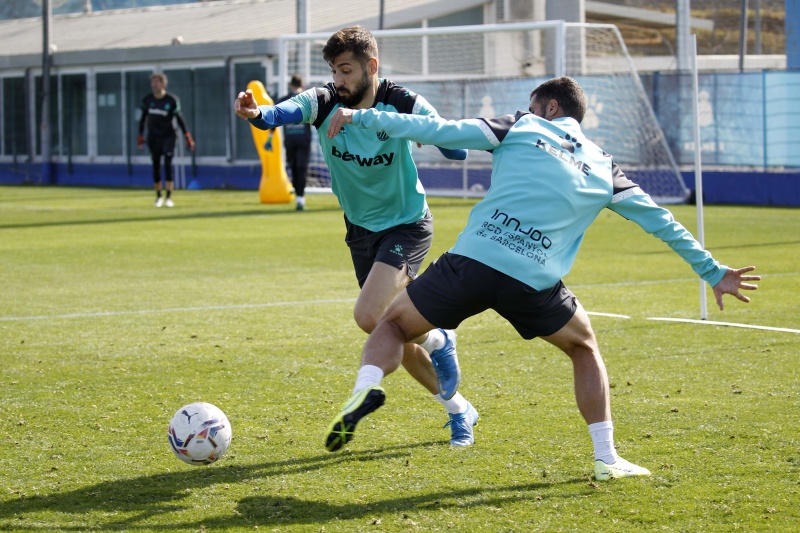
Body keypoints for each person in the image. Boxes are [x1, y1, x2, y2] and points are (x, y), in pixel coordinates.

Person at [322, 76, 760, 480]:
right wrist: (712, 271)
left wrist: (362, 116)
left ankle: (367, 386)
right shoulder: (604, 166)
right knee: (583, 346)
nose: (528, 111)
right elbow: (662, 222)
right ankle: (606, 458)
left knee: (392, 325)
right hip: (533, 281)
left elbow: (439, 130)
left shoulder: (519, 126)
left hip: (473, 260)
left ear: (550, 107)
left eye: (532, 106)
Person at [234, 26, 479, 447]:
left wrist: (425, 130)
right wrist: (256, 113)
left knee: (370, 317)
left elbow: (457, 149)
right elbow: (276, 115)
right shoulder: (323, 100)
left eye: (346, 70)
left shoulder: (403, 102)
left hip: (406, 225)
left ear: (372, 66)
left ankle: (439, 340)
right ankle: (458, 406)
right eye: (334, 70)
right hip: (361, 232)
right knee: (394, 331)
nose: (338, 79)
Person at [138, 73, 195, 207]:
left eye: (157, 82)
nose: (154, 85)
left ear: (163, 84)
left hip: (168, 136)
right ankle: (158, 196)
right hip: (153, 137)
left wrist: (188, 137)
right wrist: (140, 136)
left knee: (168, 164)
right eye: (153, 82)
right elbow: (143, 119)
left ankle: (169, 197)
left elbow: (179, 119)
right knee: (156, 165)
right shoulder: (147, 100)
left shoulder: (171, 100)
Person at [278, 74, 313, 211]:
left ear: (290, 85)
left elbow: (274, 118)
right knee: (301, 168)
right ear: (302, 85)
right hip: (303, 139)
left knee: (294, 168)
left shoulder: (284, 100)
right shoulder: (308, 99)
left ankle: (299, 196)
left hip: (290, 140)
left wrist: (269, 138)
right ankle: (300, 198)